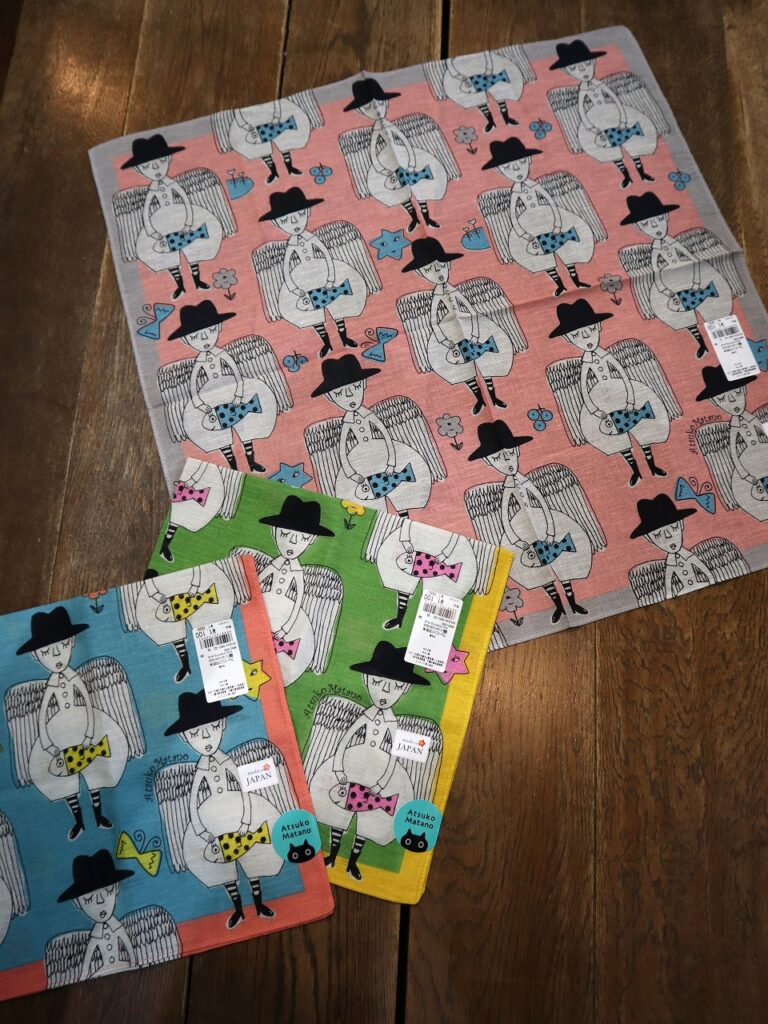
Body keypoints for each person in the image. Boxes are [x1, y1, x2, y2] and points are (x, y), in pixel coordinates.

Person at [309, 642, 430, 882]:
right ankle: (332, 855)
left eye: (395, 686)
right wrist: (338, 766)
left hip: (380, 771)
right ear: (366, 680)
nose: (384, 691)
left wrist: (383, 782)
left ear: (405, 688)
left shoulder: (392, 723)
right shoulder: (366, 715)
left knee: (369, 822)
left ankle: (353, 863)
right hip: (354, 761)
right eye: (377, 682)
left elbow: (394, 753)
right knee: (338, 812)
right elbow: (346, 739)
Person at [164, 691, 283, 927]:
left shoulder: (227, 761)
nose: (205, 737)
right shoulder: (200, 769)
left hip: (239, 810)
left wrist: (247, 819)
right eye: (195, 733)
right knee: (223, 868)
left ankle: (259, 904)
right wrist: (200, 829)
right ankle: (238, 909)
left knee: (253, 861)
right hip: (210, 818)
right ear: (185, 738)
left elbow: (244, 786)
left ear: (223, 724)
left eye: (212, 728)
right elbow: (192, 801)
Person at [16, 608, 129, 840]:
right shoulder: (51, 684)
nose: (56, 655)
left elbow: (87, 701)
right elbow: (42, 714)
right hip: (59, 732)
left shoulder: (74, 677)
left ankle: (99, 815)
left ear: (72, 642)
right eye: (46, 652)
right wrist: (46, 742)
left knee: (94, 771)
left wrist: (89, 733)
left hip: (82, 723)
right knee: (65, 779)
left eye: (62, 646)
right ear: (36, 656)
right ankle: (78, 821)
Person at [468, 420, 594, 622]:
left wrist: (550, 530)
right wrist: (516, 541)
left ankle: (572, 603)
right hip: (519, 531)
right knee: (537, 571)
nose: (507, 461)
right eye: (497, 458)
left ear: (517, 451)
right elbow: (505, 518)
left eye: (509, 453)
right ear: (488, 462)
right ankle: (558, 607)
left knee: (564, 564)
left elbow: (542, 504)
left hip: (544, 521)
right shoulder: (507, 488)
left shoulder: (525, 481)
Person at [548, 298, 669, 486]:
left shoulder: (606, 355)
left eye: (590, 330)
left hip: (622, 391)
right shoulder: (585, 363)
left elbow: (623, 374)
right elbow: (584, 389)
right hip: (600, 400)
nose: (586, 339)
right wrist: (594, 410)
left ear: (598, 327)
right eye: (577, 335)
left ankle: (652, 465)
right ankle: (635, 470)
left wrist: (630, 399)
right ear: (567, 339)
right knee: (615, 438)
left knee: (643, 429)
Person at [400, 237, 513, 414]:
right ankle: (479, 398)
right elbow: (434, 322)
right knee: (462, 369)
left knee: (487, 363)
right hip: (448, 335)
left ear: (448, 265)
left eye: (441, 265)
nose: (438, 272)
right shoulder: (436, 296)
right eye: (428, 270)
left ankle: (493, 396)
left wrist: (475, 333)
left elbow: (470, 310)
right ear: (421, 274)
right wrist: (444, 341)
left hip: (472, 327)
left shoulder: (454, 291)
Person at [310, 355, 433, 513]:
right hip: (358, 459)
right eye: (339, 393)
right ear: (329, 396)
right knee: (365, 499)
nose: (349, 396)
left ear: (364, 383)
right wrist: (351, 474)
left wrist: (391, 462)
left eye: (355, 387)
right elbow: (342, 451)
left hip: (382, 451)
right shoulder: (346, 423)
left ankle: (404, 514)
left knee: (402, 491)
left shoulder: (369, 415)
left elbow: (386, 435)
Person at [167, 300, 279, 472]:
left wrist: (239, 392)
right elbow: (193, 385)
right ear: (185, 340)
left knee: (245, 427)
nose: (204, 339)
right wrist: (199, 403)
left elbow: (236, 372)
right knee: (219, 435)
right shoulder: (199, 361)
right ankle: (233, 468)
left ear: (219, 327)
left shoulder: (221, 353)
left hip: (231, 387)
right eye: (195, 337)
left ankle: (251, 462)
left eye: (210, 331)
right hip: (209, 395)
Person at [620, 192, 734, 358]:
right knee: (680, 315)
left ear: (667, 216)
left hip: (691, 272)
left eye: (659, 219)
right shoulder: (655, 249)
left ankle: (727, 344)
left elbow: (692, 258)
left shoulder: (673, 242)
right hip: (669, 280)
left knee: (714, 307)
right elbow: (655, 271)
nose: (655, 226)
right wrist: (663, 289)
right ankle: (701, 343)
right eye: (646, 224)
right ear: (638, 227)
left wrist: (696, 280)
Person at [258, 187, 370, 357]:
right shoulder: (291, 244)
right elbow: (286, 268)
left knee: (338, 306)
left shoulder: (311, 237)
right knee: (312, 314)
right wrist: (294, 288)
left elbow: (326, 254)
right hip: (302, 277)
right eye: (285, 220)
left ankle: (344, 338)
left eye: (300, 215)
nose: (294, 223)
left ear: (308, 212)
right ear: (275, 223)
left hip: (322, 270)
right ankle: (327, 344)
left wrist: (331, 277)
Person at [481, 137, 595, 295]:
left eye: (521, 163)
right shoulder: (515, 191)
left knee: (567, 250)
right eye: (508, 167)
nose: (517, 170)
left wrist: (557, 223)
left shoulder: (534, 185)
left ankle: (576, 280)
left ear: (529, 160)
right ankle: (560, 285)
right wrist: (522, 233)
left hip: (547, 216)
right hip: (528, 223)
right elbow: (513, 214)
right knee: (541, 258)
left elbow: (550, 201)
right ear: (499, 171)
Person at [119, 134, 224, 298]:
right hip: (160, 222)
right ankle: (180, 285)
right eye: (147, 166)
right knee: (166, 256)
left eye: (161, 162)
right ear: (138, 169)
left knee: (194, 249)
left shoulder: (172, 183)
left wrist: (188, 221)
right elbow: (146, 211)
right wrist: (151, 231)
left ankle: (197, 280)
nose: (156, 168)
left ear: (168, 159)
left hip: (181, 215)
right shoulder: (152, 189)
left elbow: (185, 199)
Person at [342, 77, 450, 231]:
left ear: (386, 103)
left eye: (380, 104)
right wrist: (380, 169)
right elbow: (373, 151)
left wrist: (411, 162)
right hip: (386, 164)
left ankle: (426, 218)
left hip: (406, 158)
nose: (376, 109)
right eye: (368, 107)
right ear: (360, 111)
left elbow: (404, 141)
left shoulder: (389, 125)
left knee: (420, 188)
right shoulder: (376, 129)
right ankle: (414, 218)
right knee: (400, 193)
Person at [548, 38, 657, 188]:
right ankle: (626, 176)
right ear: (566, 71)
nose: (583, 71)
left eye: (586, 64)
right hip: (595, 119)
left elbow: (614, 98)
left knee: (632, 144)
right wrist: (590, 127)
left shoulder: (599, 84)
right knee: (610, 151)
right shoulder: (582, 90)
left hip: (613, 113)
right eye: (574, 68)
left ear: (594, 62)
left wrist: (623, 117)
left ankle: (642, 172)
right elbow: (581, 110)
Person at [257, 495, 335, 684]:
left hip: (286, 614)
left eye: (303, 538)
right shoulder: (275, 564)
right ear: (274, 531)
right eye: (285, 534)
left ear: (312, 540)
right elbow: (257, 581)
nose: (292, 543)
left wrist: (286, 629)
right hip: (263, 604)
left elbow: (299, 600)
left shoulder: (298, 573)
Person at [695, 364, 768, 520]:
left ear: (744, 389)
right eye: (722, 398)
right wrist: (744, 474)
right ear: (714, 402)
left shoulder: (754, 419)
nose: (733, 400)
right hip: (747, 463)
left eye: (737, 392)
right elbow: (734, 453)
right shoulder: (733, 428)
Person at [56, 849, 137, 981]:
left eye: (108, 890)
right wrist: (83, 976)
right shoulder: (95, 934)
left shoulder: (117, 926)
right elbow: (88, 957)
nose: (100, 901)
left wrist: (133, 962)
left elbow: (128, 944)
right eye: (88, 898)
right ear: (77, 903)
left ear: (117, 887)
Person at [629, 494, 714, 600]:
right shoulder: (670, 563)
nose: (668, 536)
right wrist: (668, 595)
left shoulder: (689, 556)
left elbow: (702, 566)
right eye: (657, 535)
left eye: (673, 527)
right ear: (648, 538)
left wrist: (711, 579)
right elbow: (668, 581)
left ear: (681, 524)